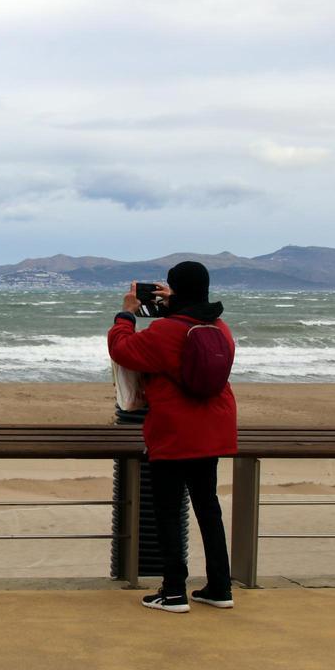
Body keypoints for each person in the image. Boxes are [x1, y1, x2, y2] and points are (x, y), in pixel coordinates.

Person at [107, 261, 238, 613]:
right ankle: (220, 587)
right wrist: (175, 305)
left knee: (166, 511)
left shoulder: (165, 332)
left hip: (175, 432)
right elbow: (185, 336)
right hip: (213, 430)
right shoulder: (221, 328)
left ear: (176, 289)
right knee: (208, 508)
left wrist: (126, 314)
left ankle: (174, 591)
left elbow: (123, 350)